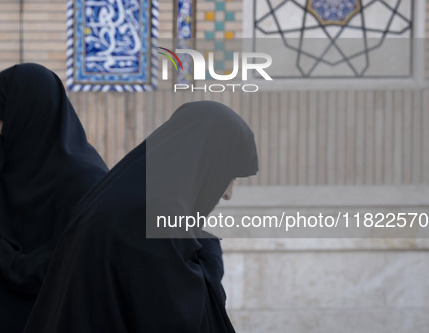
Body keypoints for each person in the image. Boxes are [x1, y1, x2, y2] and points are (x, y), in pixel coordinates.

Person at [23, 100, 259, 333]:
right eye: (229, 176)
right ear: (208, 164)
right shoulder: (155, 214)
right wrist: (209, 255)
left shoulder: (120, 194)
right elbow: (178, 319)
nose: (228, 194)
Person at [0, 63, 109, 333]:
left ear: (27, 115)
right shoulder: (6, 166)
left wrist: (7, 268)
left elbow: (84, 255)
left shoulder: (85, 178)